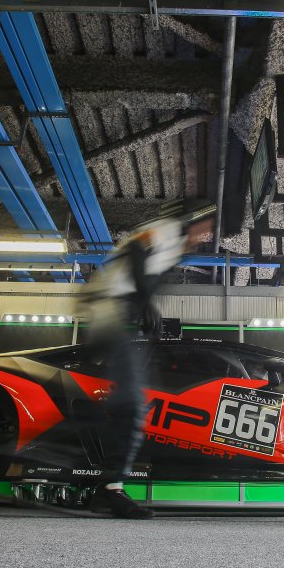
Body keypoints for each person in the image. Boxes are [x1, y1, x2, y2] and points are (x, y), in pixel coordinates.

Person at [84, 203, 214, 519]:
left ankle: (84, 461)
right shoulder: (168, 229)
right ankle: (110, 488)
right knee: (132, 401)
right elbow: (137, 250)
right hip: (109, 309)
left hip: (114, 313)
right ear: (195, 220)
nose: (205, 237)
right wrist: (146, 303)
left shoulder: (174, 251)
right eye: (205, 229)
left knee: (126, 399)